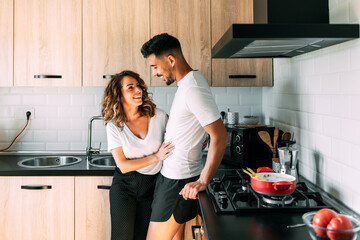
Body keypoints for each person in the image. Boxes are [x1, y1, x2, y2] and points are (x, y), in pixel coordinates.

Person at [141, 33, 229, 240]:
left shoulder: (193, 89)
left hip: (177, 182)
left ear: (171, 60)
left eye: (155, 66)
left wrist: (203, 181)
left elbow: (220, 137)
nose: (154, 73)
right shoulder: (189, 83)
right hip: (173, 177)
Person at [101, 70, 174, 240]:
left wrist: (201, 141)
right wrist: (157, 156)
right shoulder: (114, 126)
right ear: (118, 94)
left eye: (138, 86)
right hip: (125, 188)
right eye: (131, 87)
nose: (138, 90)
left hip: (152, 187)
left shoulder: (159, 116)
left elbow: (179, 137)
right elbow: (123, 166)